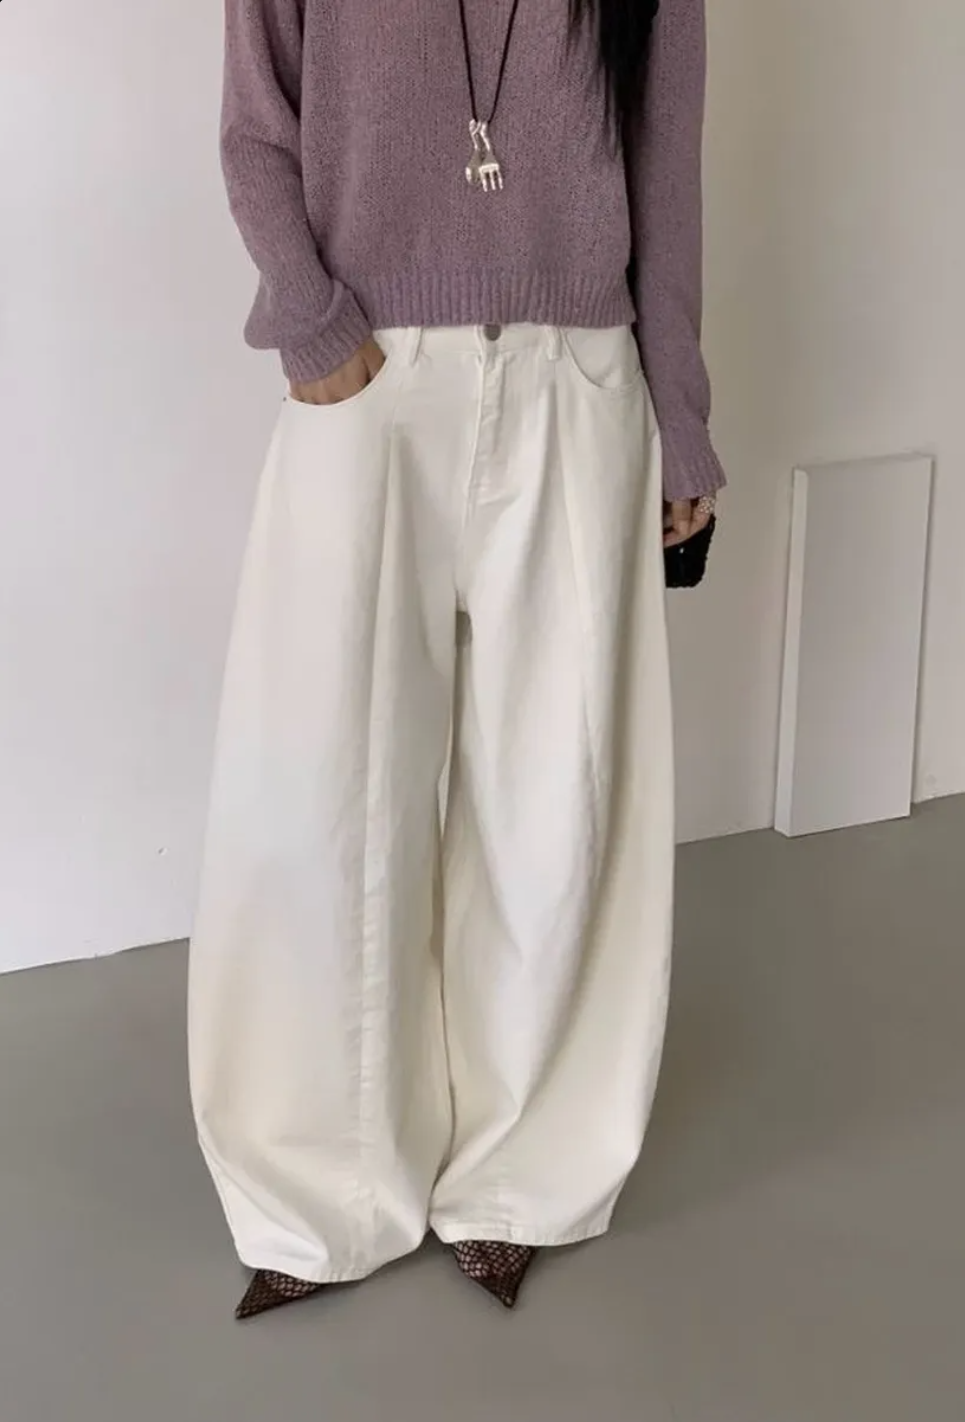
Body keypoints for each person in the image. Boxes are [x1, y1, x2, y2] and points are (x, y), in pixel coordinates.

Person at [188, 0, 726, 1320]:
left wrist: (682, 412)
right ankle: (319, 1192)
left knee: (559, 802)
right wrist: (310, 323)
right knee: (321, 801)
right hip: (367, 379)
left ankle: (520, 1176)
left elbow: (666, 159)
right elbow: (257, 123)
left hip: (579, 382)